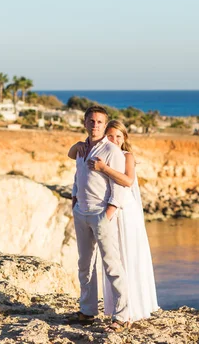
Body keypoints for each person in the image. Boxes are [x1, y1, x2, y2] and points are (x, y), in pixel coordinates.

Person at [68, 120, 159, 324]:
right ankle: (101, 309)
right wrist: (80, 145)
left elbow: (127, 181)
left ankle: (130, 310)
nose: (114, 140)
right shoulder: (99, 152)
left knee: (123, 260)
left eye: (119, 136)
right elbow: (77, 166)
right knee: (105, 260)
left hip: (123, 213)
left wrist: (104, 168)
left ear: (125, 138)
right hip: (105, 212)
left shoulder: (126, 156)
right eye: (110, 136)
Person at [68, 106, 129, 332]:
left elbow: (120, 186)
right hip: (81, 213)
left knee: (111, 265)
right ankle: (87, 311)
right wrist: (74, 199)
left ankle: (122, 315)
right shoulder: (82, 148)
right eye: (91, 121)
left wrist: (108, 213)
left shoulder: (112, 151)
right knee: (85, 265)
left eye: (100, 122)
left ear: (105, 125)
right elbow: (78, 175)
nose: (95, 125)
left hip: (101, 214)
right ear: (85, 122)